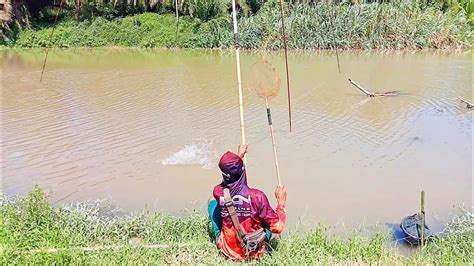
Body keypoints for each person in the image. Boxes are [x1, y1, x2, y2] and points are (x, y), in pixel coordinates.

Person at [208, 144, 287, 260]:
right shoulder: (257, 197)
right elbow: (278, 228)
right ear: (243, 171)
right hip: (253, 252)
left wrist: (239, 157)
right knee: (265, 219)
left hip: (228, 251)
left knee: (212, 202)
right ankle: (258, 253)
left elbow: (228, 181)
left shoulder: (218, 191)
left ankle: (221, 242)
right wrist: (281, 202)